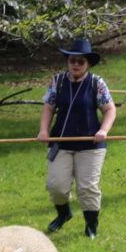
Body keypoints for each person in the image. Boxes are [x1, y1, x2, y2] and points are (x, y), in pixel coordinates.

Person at [38, 38, 116, 238]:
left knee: (87, 187)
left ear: (88, 63)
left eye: (81, 61)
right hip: (61, 143)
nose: (76, 64)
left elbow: (109, 110)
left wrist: (104, 131)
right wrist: (44, 131)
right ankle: (64, 214)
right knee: (56, 186)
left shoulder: (96, 83)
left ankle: (91, 226)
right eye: (72, 60)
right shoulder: (58, 81)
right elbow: (49, 107)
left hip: (91, 145)